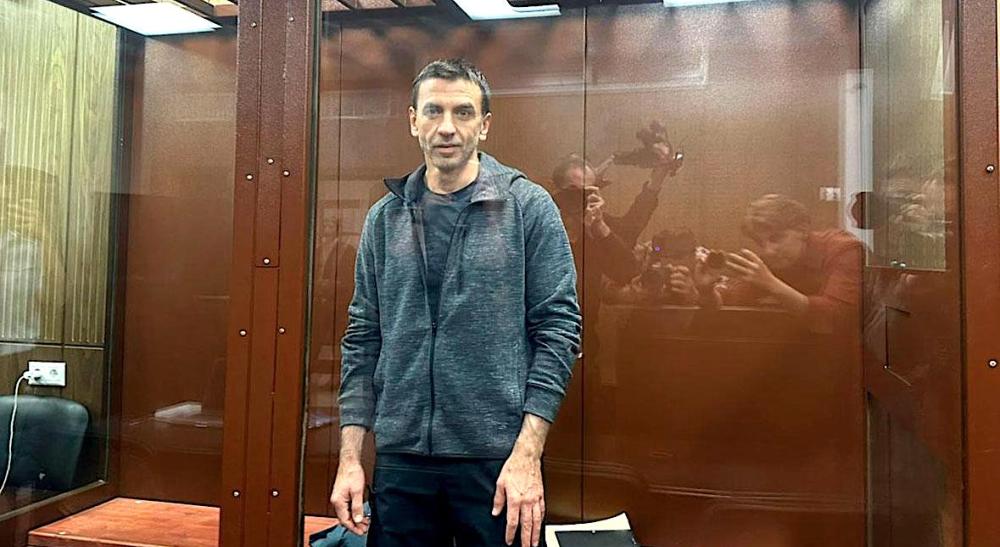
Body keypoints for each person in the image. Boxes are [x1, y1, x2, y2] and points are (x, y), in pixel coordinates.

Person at [329, 58, 582, 547]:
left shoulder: (528, 208)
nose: (447, 127)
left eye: (463, 112)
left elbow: (559, 330)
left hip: (496, 462)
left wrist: (528, 454)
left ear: (484, 125)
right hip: (401, 460)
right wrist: (351, 458)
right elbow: (363, 338)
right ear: (413, 121)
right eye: (434, 111)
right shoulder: (384, 218)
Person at [694, 194, 862, 334]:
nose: (768, 251)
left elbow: (835, 319)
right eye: (760, 243)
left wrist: (771, 284)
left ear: (803, 230)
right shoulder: (770, 261)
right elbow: (730, 300)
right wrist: (706, 291)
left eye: (776, 238)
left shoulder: (843, 250)